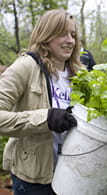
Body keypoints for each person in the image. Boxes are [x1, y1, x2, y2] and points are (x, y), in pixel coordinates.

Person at [0, 9, 82, 195]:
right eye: (63, 34)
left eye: (73, 35)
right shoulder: (26, 67)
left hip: (73, 173)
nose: (70, 40)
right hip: (35, 179)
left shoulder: (78, 74)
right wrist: (45, 118)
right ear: (46, 36)